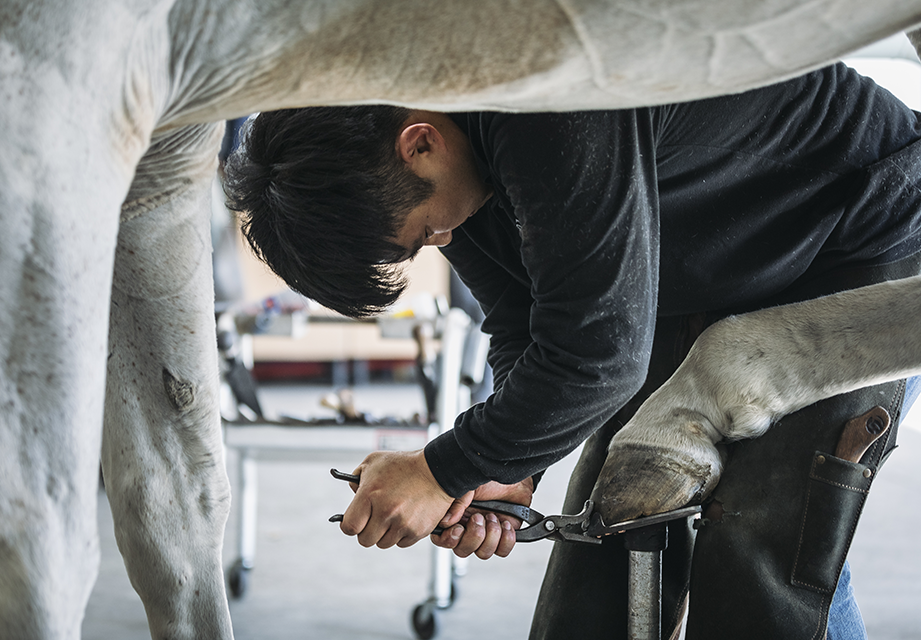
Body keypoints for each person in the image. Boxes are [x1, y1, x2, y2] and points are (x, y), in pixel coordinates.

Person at [223, 62, 921, 639]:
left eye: (421, 233)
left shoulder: (542, 105)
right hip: (691, 282)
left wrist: (444, 470)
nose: (439, 241)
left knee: (760, 550)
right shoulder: (453, 178)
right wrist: (511, 471)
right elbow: (524, 324)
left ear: (419, 143)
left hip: (855, 242)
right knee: (608, 547)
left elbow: (597, 357)